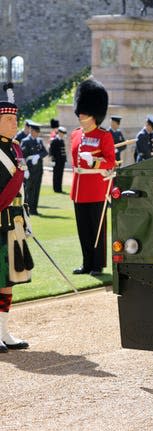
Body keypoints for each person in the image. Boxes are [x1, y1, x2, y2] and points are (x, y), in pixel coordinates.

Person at [70, 78, 116, 276]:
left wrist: (94, 162)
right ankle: (86, 263)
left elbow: (111, 161)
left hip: (96, 188)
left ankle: (97, 264)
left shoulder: (104, 136)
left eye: (85, 112)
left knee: (97, 229)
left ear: (94, 114)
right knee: (83, 230)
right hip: (79, 188)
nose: (81, 114)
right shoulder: (75, 134)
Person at [0, 83, 32, 352]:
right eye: (8, 119)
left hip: (13, 221)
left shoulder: (16, 150)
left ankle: (4, 331)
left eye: (15, 119)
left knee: (9, 280)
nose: (14, 124)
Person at [20, 122, 48, 215]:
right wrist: (25, 170)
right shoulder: (25, 141)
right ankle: (27, 209)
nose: (37, 134)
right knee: (28, 190)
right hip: (29, 170)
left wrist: (38, 156)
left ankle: (34, 209)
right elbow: (21, 157)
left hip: (38, 170)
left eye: (38, 132)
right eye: (36, 132)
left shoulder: (39, 141)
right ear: (32, 131)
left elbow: (45, 152)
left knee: (36, 190)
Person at [49, 126, 67, 193]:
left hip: (61, 161)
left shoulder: (61, 140)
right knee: (56, 175)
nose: (63, 134)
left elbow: (63, 151)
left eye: (63, 133)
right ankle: (56, 189)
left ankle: (59, 188)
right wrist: (53, 160)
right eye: (62, 133)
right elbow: (51, 151)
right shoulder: (54, 140)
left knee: (60, 175)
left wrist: (65, 159)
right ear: (59, 132)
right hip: (56, 161)